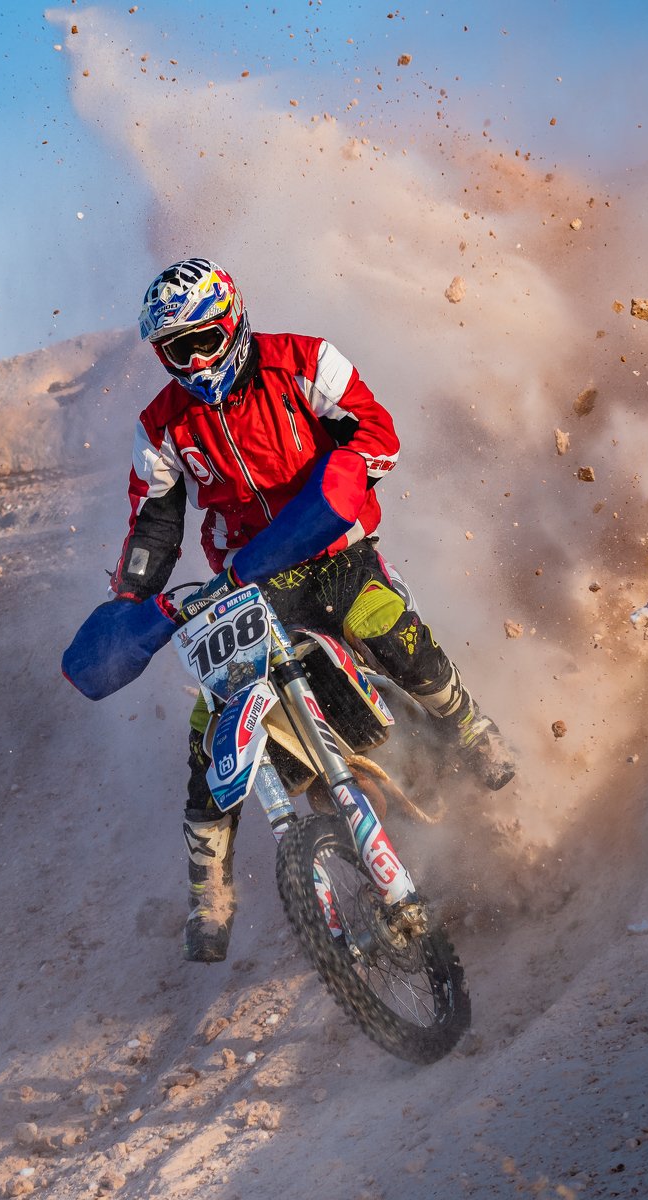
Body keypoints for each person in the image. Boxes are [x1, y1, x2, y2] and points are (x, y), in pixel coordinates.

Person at [103, 257, 515, 963]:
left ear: (233, 322)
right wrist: (130, 598)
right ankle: (208, 890)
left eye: (204, 339)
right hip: (248, 580)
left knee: (381, 622)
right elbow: (155, 521)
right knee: (212, 716)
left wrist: (346, 474)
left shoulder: (304, 361)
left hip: (333, 547)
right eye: (177, 350)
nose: (195, 360)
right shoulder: (162, 425)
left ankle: (469, 726)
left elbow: (378, 434)